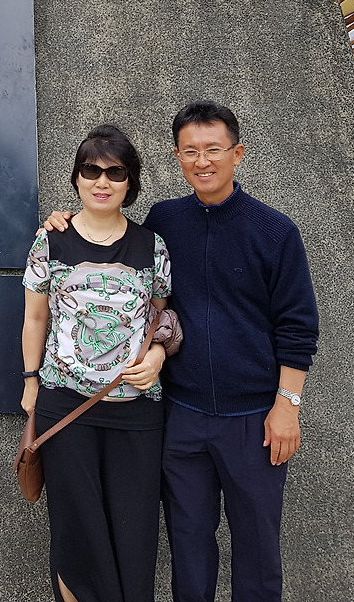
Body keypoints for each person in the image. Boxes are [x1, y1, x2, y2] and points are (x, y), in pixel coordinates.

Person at [45, 103, 319, 602]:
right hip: (182, 415)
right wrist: (64, 220)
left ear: (238, 153)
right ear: (177, 157)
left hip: (254, 418)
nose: (202, 161)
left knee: (258, 546)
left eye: (213, 149)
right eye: (190, 151)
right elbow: (141, 291)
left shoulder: (275, 231)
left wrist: (287, 406)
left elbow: (298, 327)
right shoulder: (164, 222)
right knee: (188, 544)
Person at [21, 123, 181, 602]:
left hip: (138, 412)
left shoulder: (152, 246)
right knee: (78, 534)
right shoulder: (50, 242)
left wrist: (158, 355)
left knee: (134, 536)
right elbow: (34, 319)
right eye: (91, 170)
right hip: (66, 406)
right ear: (76, 178)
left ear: (131, 182)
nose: (102, 181)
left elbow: (161, 318)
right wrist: (30, 383)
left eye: (115, 172)